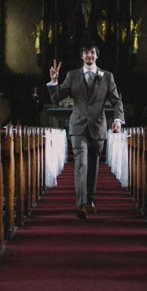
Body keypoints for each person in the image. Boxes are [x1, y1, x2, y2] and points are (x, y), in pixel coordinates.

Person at [48, 41, 125, 219]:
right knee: (81, 163)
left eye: (92, 53)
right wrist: (53, 82)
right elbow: (57, 99)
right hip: (78, 127)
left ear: (96, 56)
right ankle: (81, 204)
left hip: (98, 128)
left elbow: (116, 101)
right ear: (81, 56)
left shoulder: (107, 76)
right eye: (86, 53)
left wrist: (118, 120)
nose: (89, 56)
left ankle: (90, 200)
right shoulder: (72, 75)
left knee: (93, 166)